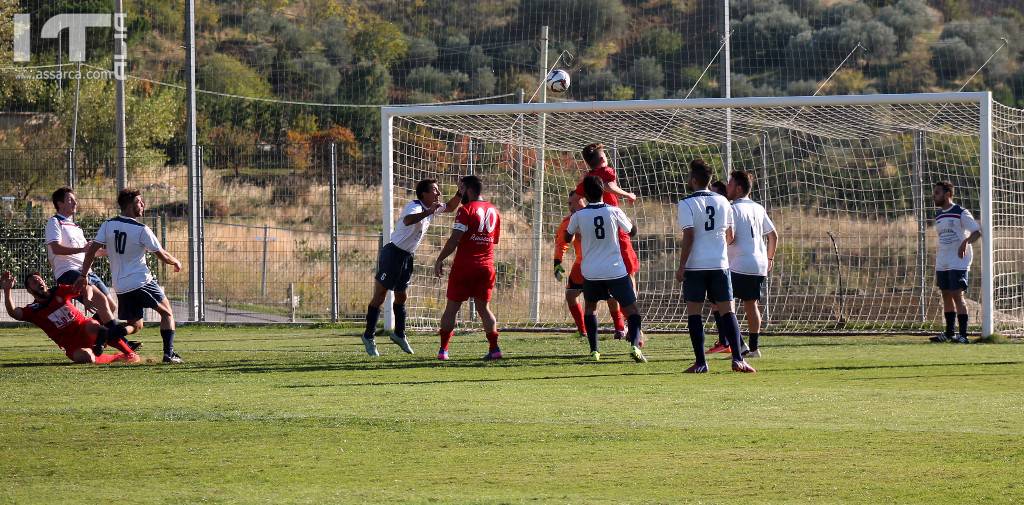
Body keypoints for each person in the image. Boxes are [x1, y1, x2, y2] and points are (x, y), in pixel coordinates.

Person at [78, 189, 185, 363]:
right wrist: (176, 262)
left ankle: (107, 333)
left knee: (136, 325)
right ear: (129, 205)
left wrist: (83, 274)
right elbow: (162, 255)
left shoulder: (108, 224)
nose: (143, 205)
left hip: (121, 286)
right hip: (141, 281)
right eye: (139, 202)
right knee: (167, 313)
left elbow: (91, 251)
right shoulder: (141, 229)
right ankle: (169, 354)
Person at [360, 179, 461, 356]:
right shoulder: (414, 206)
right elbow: (407, 220)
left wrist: (460, 192)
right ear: (424, 194)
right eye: (434, 190)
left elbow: (451, 207)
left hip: (407, 256)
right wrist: (427, 212)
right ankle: (369, 336)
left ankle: (399, 334)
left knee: (401, 296)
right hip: (393, 254)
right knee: (380, 295)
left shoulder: (433, 207)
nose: (438, 193)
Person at [675, 160, 756, 374]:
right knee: (728, 311)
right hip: (720, 265)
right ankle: (738, 359)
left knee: (695, 312)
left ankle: (701, 362)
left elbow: (689, 235)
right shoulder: (724, 202)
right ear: (710, 180)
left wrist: (682, 265)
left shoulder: (686, 203)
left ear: (693, 180)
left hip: (695, 266)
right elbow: (730, 236)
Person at [566, 176, 646, 363]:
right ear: (603, 192)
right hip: (615, 270)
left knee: (591, 308)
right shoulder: (614, 211)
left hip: (591, 272)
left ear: (585, 194)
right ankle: (635, 345)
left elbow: (567, 236)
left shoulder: (578, 215)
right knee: (632, 309)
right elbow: (631, 231)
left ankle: (594, 351)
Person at [433, 176, 502, 360]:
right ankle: (494, 349)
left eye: (460, 189)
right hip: (486, 267)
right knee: (484, 309)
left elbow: (455, 239)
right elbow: (492, 241)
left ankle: (444, 350)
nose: (459, 193)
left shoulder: (465, 210)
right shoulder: (494, 211)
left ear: (468, 189)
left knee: (451, 309)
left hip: (465, 266)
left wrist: (440, 259)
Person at [2, 271, 138, 364]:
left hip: (84, 327)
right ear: (30, 290)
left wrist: (87, 298)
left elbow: (86, 286)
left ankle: (130, 353)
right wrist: (7, 290)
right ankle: (117, 357)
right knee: (87, 357)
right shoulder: (34, 310)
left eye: (39, 279)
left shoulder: (59, 291)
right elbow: (14, 312)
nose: (38, 281)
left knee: (96, 327)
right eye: (33, 282)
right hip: (71, 344)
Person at [554, 190, 626, 340]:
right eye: (568, 204)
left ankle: (619, 329)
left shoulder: (600, 214)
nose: (570, 206)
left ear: (583, 200)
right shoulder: (570, 220)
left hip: (604, 263)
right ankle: (583, 330)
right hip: (582, 264)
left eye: (572, 202)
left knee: (611, 298)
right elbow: (562, 243)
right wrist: (557, 262)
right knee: (571, 295)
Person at [725, 170, 778, 358]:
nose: (727, 187)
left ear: (738, 188)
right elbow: (773, 236)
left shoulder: (731, 208)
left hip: (739, 263)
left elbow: (730, 239)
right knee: (751, 304)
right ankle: (754, 348)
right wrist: (770, 258)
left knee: (722, 305)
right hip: (759, 264)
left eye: (730, 184)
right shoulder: (758, 208)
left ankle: (740, 345)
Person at [44, 187, 117, 317]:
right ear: (60, 204)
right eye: (70, 200)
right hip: (68, 272)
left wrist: (113, 251)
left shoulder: (76, 227)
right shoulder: (54, 222)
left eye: (75, 200)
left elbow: (90, 252)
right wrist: (82, 249)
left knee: (111, 306)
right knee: (103, 303)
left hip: (86, 272)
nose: (75, 203)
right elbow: (55, 248)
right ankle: (101, 334)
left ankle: (91, 332)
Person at [929, 180, 981, 344]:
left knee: (957, 295)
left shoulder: (961, 212)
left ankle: (964, 335)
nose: (934, 195)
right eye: (934, 192)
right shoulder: (938, 214)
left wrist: (965, 242)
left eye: (937, 192)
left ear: (948, 194)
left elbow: (976, 232)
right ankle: (949, 333)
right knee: (945, 294)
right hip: (943, 259)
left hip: (958, 260)